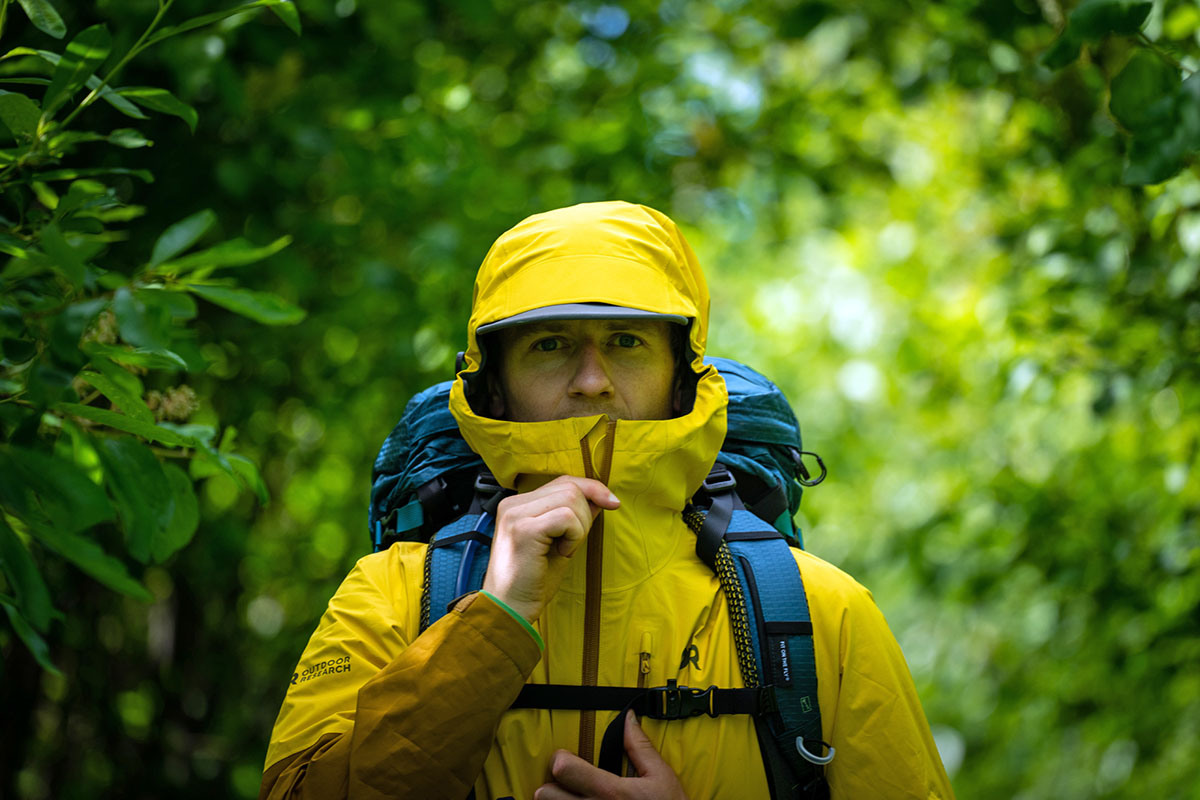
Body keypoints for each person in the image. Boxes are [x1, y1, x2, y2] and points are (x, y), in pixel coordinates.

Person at [260, 201, 955, 799]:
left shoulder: (822, 616)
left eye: (626, 342)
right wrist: (495, 619)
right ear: (493, 386)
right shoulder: (391, 596)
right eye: (550, 345)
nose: (591, 381)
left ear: (681, 379)